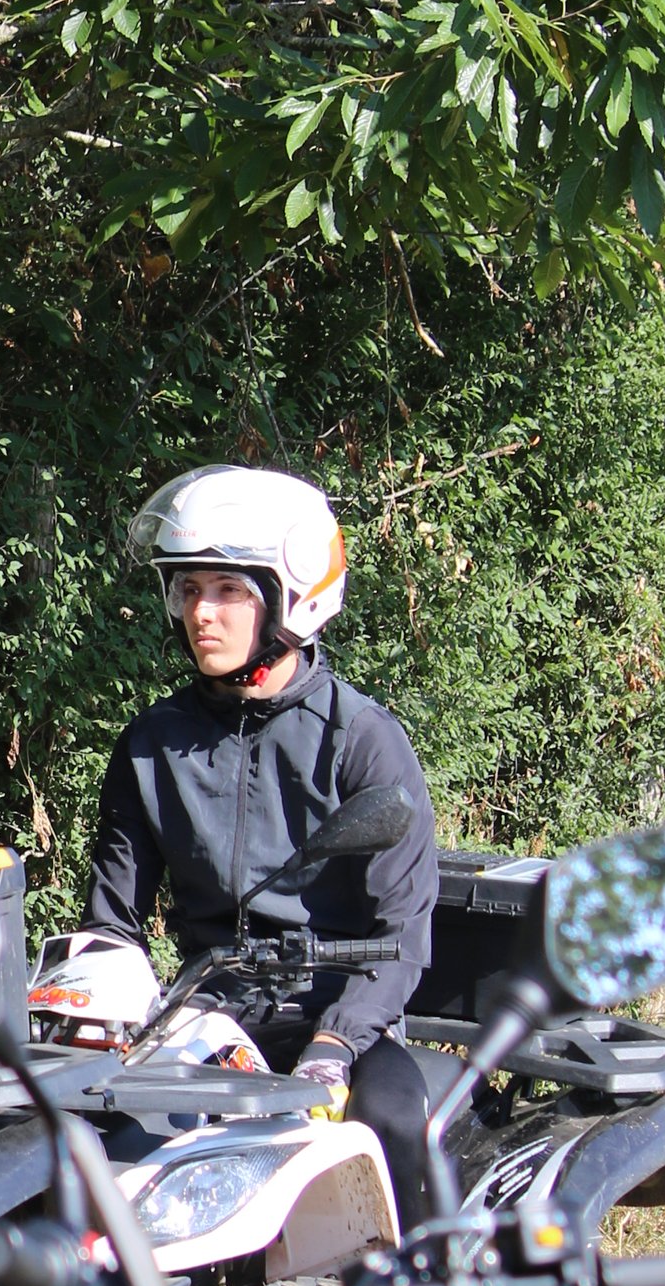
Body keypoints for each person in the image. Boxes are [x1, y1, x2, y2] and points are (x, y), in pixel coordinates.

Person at [84, 463, 445, 1210]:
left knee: (393, 1122)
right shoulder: (152, 744)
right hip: (204, 1016)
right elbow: (111, 923)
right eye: (189, 589)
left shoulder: (362, 741)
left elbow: (404, 935)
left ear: (293, 599)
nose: (200, 612)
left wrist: (335, 1043)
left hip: (337, 1017)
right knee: (91, 1140)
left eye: (227, 591)